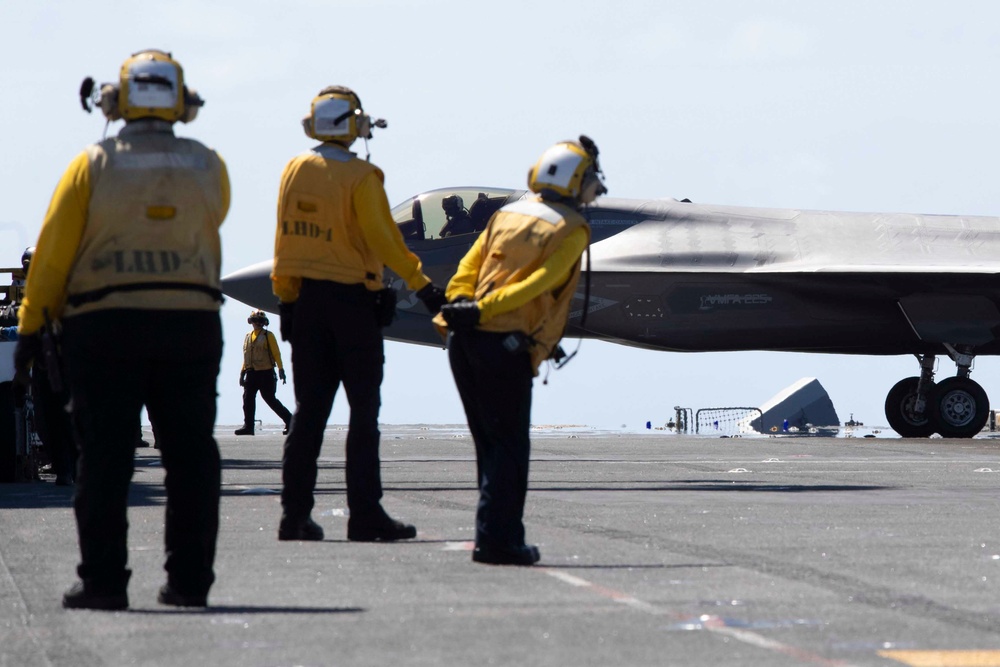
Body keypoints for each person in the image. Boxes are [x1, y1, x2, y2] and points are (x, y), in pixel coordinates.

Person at [14, 49, 229, 610]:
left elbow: (54, 256)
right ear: (182, 104)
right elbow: (217, 215)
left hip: (105, 330)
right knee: (192, 458)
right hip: (192, 326)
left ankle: (105, 584)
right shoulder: (209, 165)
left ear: (115, 100)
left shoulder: (93, 165)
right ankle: (188, 584)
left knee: (105, 458)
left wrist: (32, 326)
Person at [272, 85, 446, 542]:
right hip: (353, 306)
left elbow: (285, 240)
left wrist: (286, 299)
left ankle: (294, 517)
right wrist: (424, 287)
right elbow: (385, 239)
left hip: (304, 305)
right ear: (356, 124)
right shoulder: (363, 177)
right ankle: (364, 514)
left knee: (309, 413)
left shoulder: (295, 169)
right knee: (363, 413)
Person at [434, 136, 606, 566]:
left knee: (488, 446)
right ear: (575, 180)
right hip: (502, 344)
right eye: (593, 178)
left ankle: (494, 535)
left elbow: (468, 267)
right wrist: (486, 310)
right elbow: (541, 282)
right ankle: (499, 543)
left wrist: (460, 306)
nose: (598, 187)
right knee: (509, 447)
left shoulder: (508, 214)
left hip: (462, 339)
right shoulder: (570, 227)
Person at [236, 309, 292, 436]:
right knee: (247, 399)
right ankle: (248, 427)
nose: (258, 323)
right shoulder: (248, 337)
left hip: (266, 373)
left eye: (260, 321)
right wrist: (242, 373)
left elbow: (276, 353)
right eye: (255, 320)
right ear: (251, 322)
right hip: (251, 374)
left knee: (270, 400)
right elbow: (247, 357)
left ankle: (290, 420)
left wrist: (281, 369)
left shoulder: (268, 336)